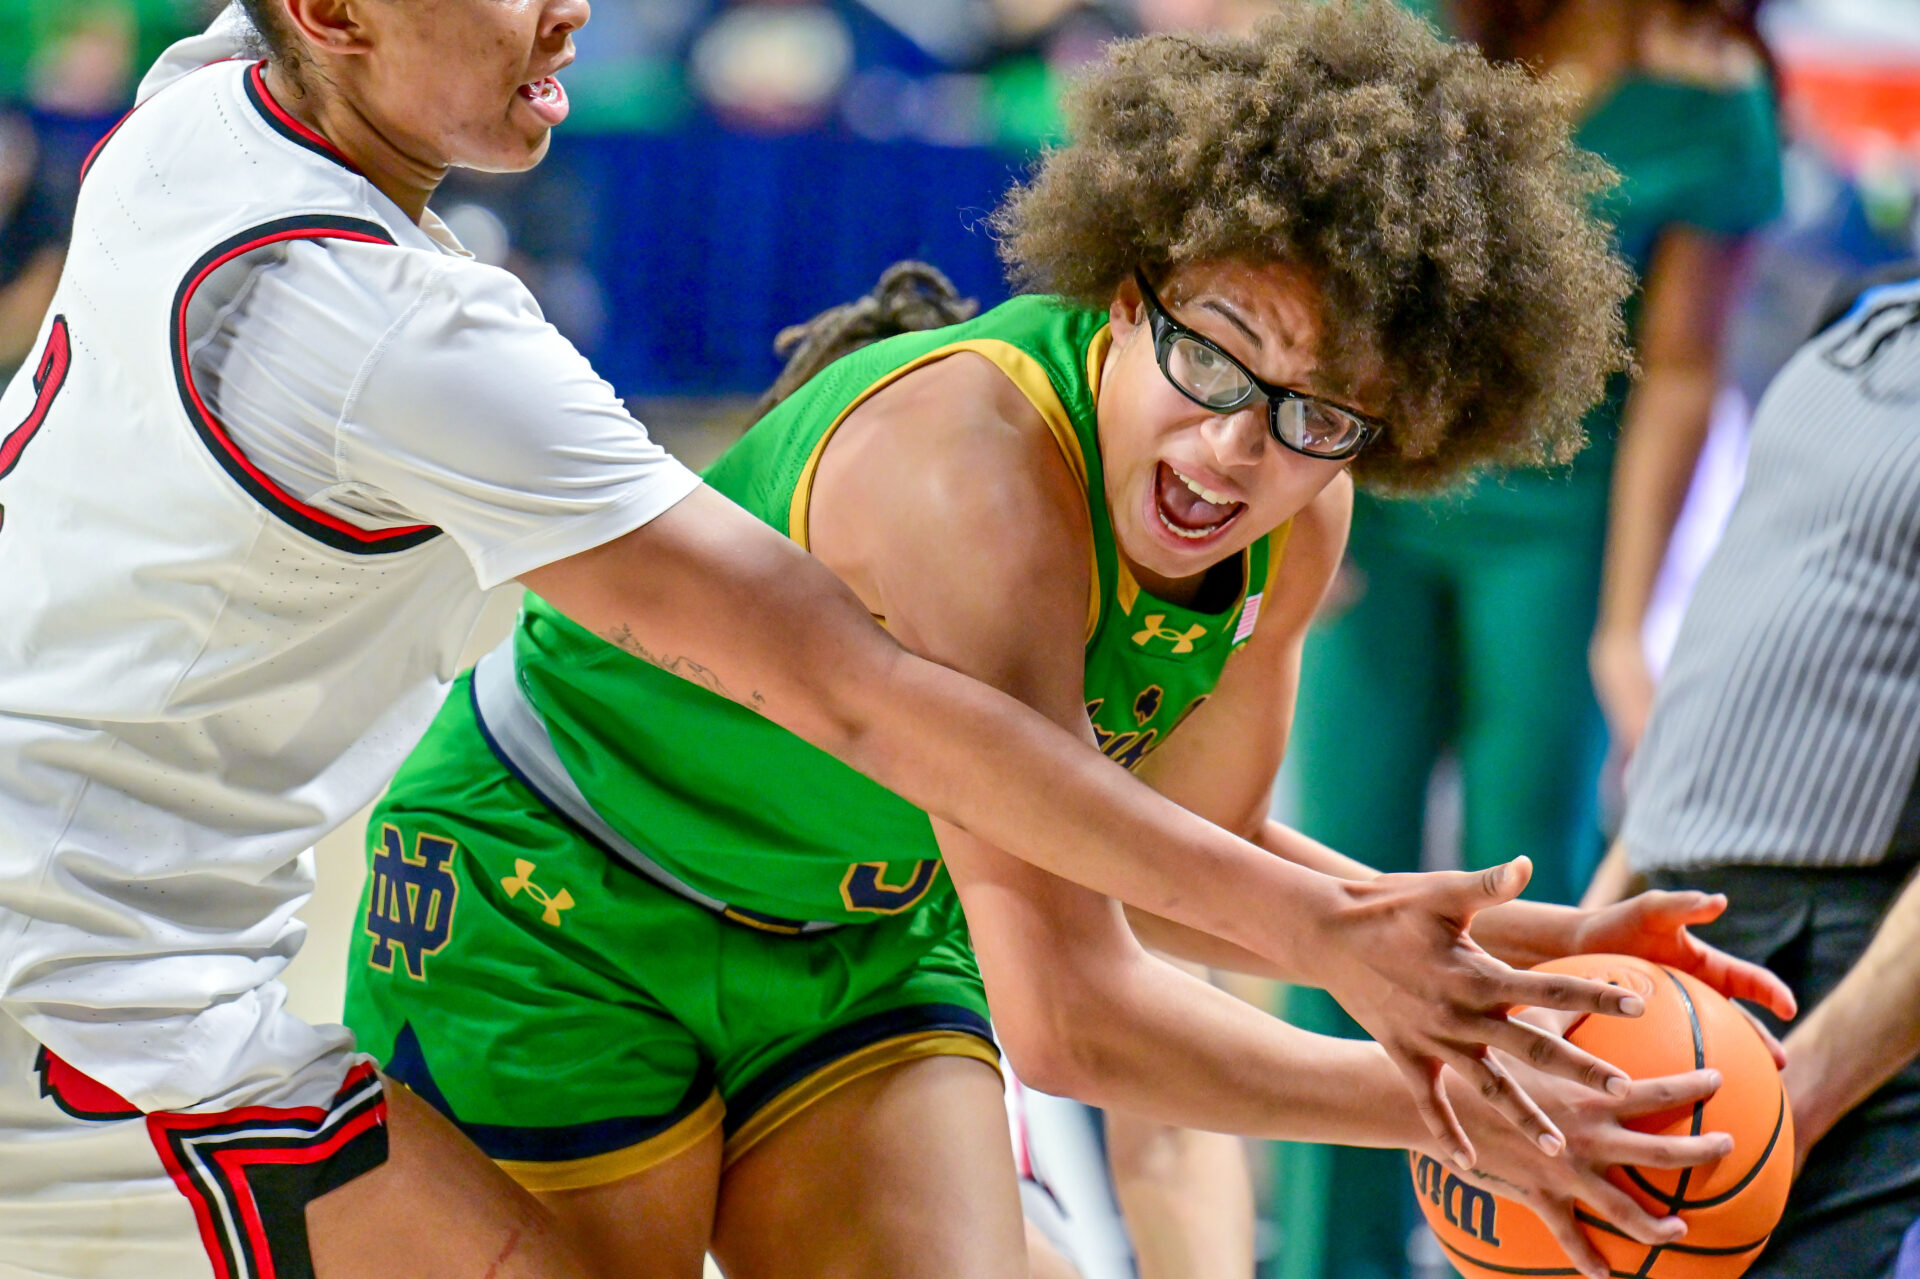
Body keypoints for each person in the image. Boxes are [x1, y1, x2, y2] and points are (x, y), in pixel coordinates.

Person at [0, 3, 1670, 1278]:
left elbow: (1188, 850)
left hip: (852, 927)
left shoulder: (216, 100)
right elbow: (911, 755)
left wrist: (1502, 978)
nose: (1245, 443)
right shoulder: (412, 335)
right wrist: (1426, 1067)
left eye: (1319, 413)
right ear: (1132, 279)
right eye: (1218, 359)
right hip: (537, 908)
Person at [1279, 2, 1784, 1273]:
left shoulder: (1714, 101)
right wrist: (1294, 507)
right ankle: (1328, 1254)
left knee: (1533, 883)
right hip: (1375, 500)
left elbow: (1680, 372)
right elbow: (1316, 275)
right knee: (1339, 879)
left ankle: (1533, 1232)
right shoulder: (1414, 29)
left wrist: (1625, 626)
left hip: (1560, 525)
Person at [1585, 263, 1920, 1279]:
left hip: (1852, 964)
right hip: (1676, 919)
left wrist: (1807, 1084)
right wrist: (1585, 941)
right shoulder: (1865, 313)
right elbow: (1734, 654)